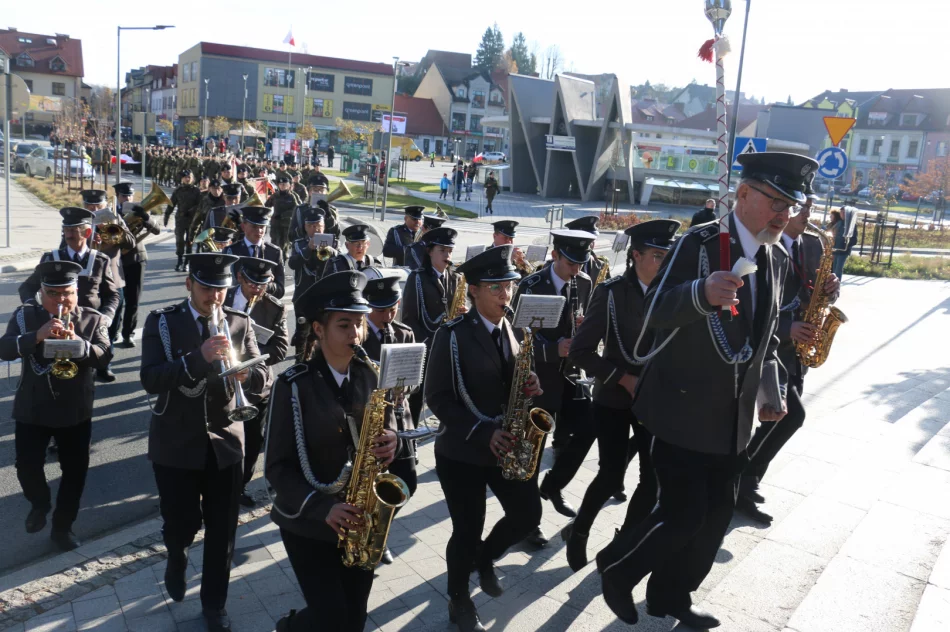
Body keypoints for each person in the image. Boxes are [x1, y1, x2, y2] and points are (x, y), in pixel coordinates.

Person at [596, 151, 817, 628]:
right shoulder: (698, 244)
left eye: (790, 205)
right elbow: (653, 310)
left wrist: (772, 391)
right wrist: (699, 293)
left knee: (715, 519)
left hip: (732, 419)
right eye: (776, 201)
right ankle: (617, 569)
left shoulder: (776, 257)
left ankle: (670, 597)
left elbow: (767, 337)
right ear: (743, 194)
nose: (784, 214)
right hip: (680, 408)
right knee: (683, 514)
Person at [265, 271, 402, 632]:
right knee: (330, 618)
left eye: (359, 323)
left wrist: (393, 438)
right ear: (318, 329)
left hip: (360, 518)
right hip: (308, 522)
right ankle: (290, 628)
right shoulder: (292, 385)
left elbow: (389, 423)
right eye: (344, 325)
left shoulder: (372, 374)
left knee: (354, 619)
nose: (355, 333)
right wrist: (324, 508)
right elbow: (276, 469)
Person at [141, 253, 268, 632]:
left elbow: (263, 372)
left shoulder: (240, 322)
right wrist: (198, 358)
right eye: (206, 288)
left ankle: (215, 605)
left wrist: (249, 377)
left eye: (221, 289)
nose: (214, 297)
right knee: (181, 523)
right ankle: (177, 554)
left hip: (226, 442)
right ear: (189, 285)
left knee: (223, 531)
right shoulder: (162, 322)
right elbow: (150, 378)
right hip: (175, 443)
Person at [425, 245, 542, 632]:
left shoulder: (515, 328)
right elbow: (437, 397)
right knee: (467, 528)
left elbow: (513, 380)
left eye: (509, 286)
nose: (506, 294)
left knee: (528, 515)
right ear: (473, 290)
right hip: (462, 451)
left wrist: (531, 383)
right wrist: (482, 432)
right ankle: (459, 599)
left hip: (505, 444)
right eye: (496, 287)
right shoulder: (451, 335)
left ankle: (485, 557)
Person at [562, 219, 679, 571]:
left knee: (652, 479)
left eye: (668, 256)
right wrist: (622, 378)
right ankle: (579, 531)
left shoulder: (674, 293)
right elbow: (580, 352)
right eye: (658, 256)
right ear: (636, 256)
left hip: (654, 402)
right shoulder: (611, 293)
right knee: (611, 476)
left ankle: (624, 541)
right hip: (613, 399)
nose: (664, 263)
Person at [736, 187, 840, 525]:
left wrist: (831, 290)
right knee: (789, 416)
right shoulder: (764, 242)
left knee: (777, 419)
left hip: (796, 352)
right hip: (770, 350)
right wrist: (787, 327)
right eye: (801, 208)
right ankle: (740, 479)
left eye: (809, 208)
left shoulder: (813, 245)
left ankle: (746, 482)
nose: (807, 214)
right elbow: (751, 306)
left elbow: (818, 292)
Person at [2, 260, 112, 550]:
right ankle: (40, 503)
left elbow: (104, 356)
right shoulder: (26, 316)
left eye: (67, 293)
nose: (61, 300)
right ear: (41, 292)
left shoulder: (93, 319)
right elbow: (4, 348)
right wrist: (37, 336)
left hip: (74, 410)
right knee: (26, 466)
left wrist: (79, 343)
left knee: (75, 473)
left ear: (76, 292)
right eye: (53, 294)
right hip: (33, 408)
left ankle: (63, 528)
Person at [513, 230, 595, 547]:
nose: (577, 270)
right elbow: (516, 338)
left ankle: (554, 485)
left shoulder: (584, 282)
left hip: (572, 377)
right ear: (555, 255)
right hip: (540, 382)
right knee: (531, 454)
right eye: (571, 263)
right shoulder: (531, 286)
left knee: (587, 430)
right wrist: (552, 349)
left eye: (581, 263)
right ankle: (528, 523)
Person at [361, 272, 418, 564]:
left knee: (407, 482)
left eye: (393, 307)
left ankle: (380, 528)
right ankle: (369, 535)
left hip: (400, 422)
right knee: (372, 484)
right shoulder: (358, 336)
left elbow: (414, 382)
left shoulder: (404, 333)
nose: (388, 315)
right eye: (381, 309)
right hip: (371, 425)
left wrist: (403, 387)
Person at [225, 257, 289, 507]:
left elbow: (280, 348)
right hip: (222, 381)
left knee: (252, 442)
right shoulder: (222, 296)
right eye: (252, 283)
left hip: (256, 385)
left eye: (262, 284)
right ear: (240, 277)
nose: (257, 289)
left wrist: (249, 358)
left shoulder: (275, 308)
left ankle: (239, 486)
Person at [18, 207, 120, 349]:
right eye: (66, 230)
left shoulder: (100, 260)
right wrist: (34, 309)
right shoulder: (51, 259)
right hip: (56, 325)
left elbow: (112, 295)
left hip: (89, 325)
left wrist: (105, 317)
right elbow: (27, 288)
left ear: (87, 233)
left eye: (74, 230)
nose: (68, 235)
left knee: (98, 358)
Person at [403, 226, 464, 429]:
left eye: (450, 251)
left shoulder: (456, 278)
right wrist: (427, 345)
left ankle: (448, 431)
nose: (447, 256)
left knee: (449, 393)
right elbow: (410, 319)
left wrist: (463, 314)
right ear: (429, 251)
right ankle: (411, 433)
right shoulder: (417, 278)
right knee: (417, 396)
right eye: (442, 251)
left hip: (450, 346)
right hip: (427, 346)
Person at [119, 199, 162, 348]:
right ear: (118, 196)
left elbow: (157, 230)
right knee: (116, 300)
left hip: (137, 259)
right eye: (124, 195)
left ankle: (128, 334)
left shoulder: (139, 209)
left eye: (130, 195)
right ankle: (112, 331)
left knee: (133, 300)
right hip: (116, 260)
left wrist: (146, 217)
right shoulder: (113, 211)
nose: (127, 198)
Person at [222, 206, 286, 299]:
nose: (259, 231)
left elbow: (280, 290)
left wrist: (265, 286)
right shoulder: (231, 251)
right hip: (238, 304)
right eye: (254, 226)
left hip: (263, 305)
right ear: (243, 226)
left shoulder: (274, 252)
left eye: (262, 227)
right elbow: (224, 286)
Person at [165, 170, 204, 271]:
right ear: (182, 179)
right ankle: (179, 260)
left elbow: (200, 205)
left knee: (189, 241)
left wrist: (191, 211)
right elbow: (171, 204)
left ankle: (187, 261)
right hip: (180, 219)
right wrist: (167, 215)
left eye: (189, 177)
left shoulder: (196, 191)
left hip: (192, 219)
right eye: (185, 177)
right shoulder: (178, 191)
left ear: (192, 178)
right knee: (179, 240)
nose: (187, 179)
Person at [563, 216, 607, 283]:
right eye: (587, 241)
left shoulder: (600, 264)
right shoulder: (562, 263)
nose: (591, 244)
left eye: (593, 240)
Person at [267, 174, 303, 254]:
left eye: (284, 184)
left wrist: (284, 215)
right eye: (280, 184)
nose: (282, 186)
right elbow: (267, 205)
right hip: (275, 223)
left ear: (289, 185)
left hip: (286, 224)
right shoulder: (275, 196)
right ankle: (273, 259)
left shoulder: (292, 197)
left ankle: (283, 258)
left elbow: (296, 209)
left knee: (284, 244)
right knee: (274, 243)